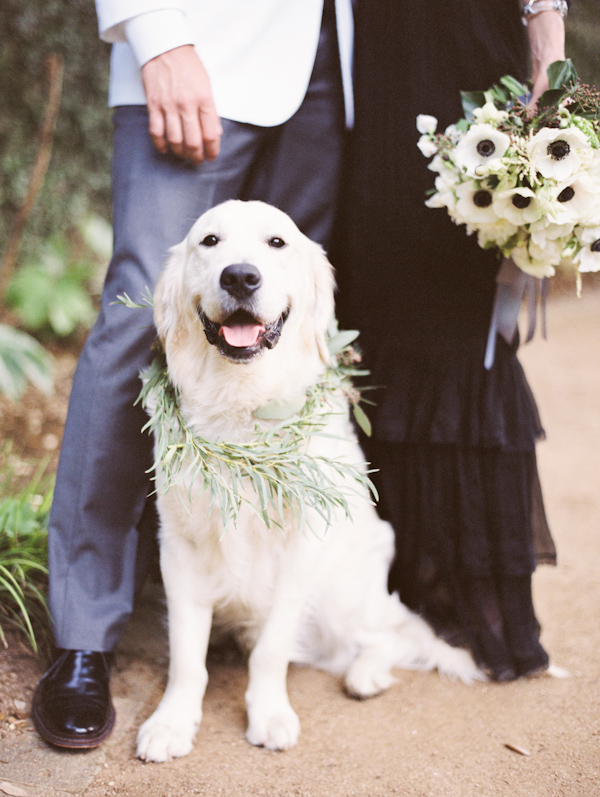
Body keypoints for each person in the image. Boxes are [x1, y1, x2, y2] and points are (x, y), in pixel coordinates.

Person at [32, 0, 354, 749]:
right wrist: (152, 29)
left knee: (280, 322)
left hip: (332, 68)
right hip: (201, 44)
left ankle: (249, 594)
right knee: (141, 309)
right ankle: (84, 631)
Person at [333, 0, 567, 682]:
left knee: (462, 324)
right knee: (378, 310)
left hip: (470, 72)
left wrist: (547, 68)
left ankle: (476, 597)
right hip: (371, 85)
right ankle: (390, 587)